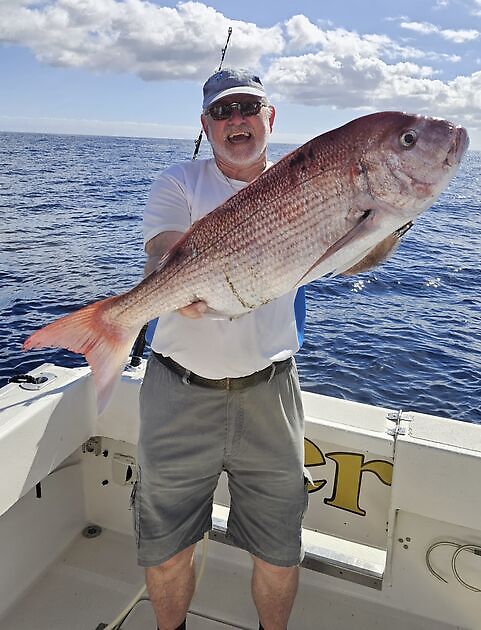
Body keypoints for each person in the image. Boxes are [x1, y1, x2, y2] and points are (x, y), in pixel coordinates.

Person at [136, 68, 308, 630]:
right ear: (206, 125)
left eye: (248, 109)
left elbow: (355, 256)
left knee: (280, 549)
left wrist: (388, 223)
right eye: (223, 111)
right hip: (178, 392)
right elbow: (162, 249)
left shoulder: (303, 182)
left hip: (270, 393)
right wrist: (170, 277)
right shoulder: (179, 182)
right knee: (165, 548)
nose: (237, 121)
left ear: (270, 118)